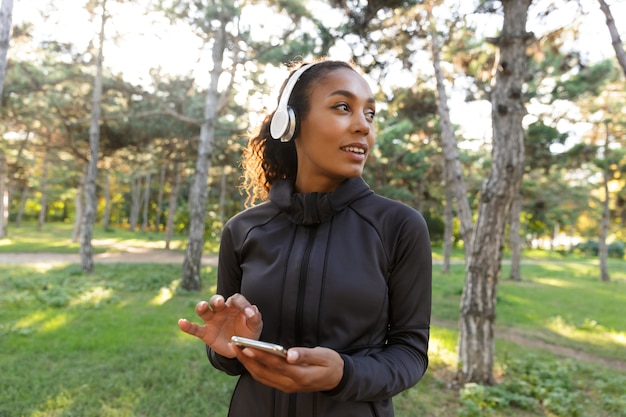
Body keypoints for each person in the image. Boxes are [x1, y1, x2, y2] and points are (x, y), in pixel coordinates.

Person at [178, 59, 432, 417]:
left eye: (370, 114)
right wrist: (227, 347)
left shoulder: (400, 226)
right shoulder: (242, 230)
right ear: (290, 122)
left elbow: (410, 353)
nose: (363, 127)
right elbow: (230, 355)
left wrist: (345, 373)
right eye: (343, 107)